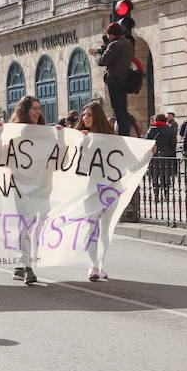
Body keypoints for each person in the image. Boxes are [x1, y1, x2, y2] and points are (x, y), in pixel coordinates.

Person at [6, 95, 47, 284]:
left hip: (42, 186)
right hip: (21, 186)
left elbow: (59, 155)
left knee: (37, 224)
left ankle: (20, 262)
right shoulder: (14, 133)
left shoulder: (45, 133)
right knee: (26, 224)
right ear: (25, 110)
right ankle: (28, 266)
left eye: (39, 108)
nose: (38, 112)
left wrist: (63, 136)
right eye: (34, 108)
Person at [74, 102, 116, 281]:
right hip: (89, 190)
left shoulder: (111, 138)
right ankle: (92, 266)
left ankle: (102, 264)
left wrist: (148, 151)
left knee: (105, 229)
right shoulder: (78, 136)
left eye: (89, 115)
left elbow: (129, 157)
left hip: (110, 190)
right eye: (84, 115)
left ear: (97, 116)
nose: (85, 118)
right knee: (91, 228)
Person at [88, 23, 134, 136]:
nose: (107, 37)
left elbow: (102, 61)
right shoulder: (128, 43)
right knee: (122, 109)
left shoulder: (114, 45)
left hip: (115, 81)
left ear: (112, 34)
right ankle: (124, 132)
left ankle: (122, 134)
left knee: (118, 110)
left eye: (108, 34)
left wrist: (95, 53)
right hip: (125, 79)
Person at [146, 113, 177, 204]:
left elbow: (147, 143)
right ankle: (166, 195)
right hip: (166, 155)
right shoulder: (170, 129)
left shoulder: (151, 130)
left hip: (154, 156)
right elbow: (173, 143)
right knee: (165, 176)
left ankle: (156, 196)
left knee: (155, 176)